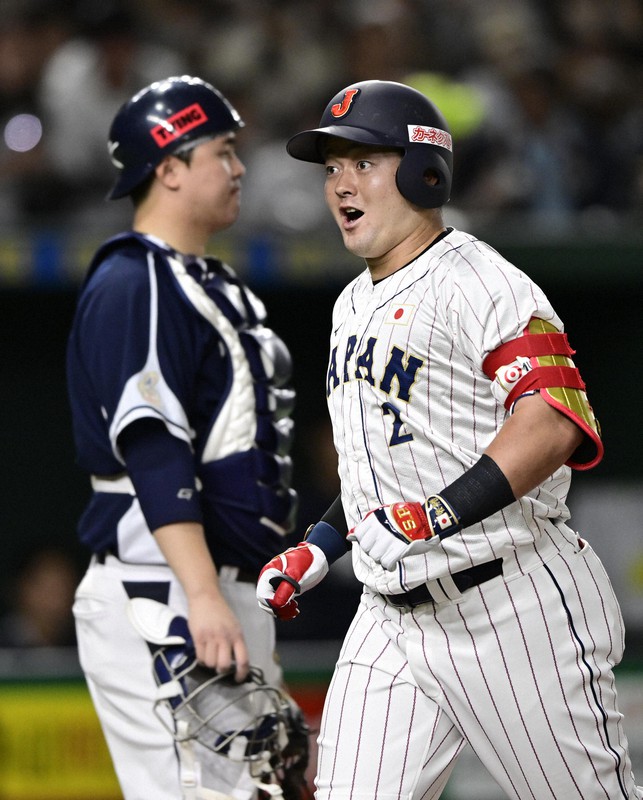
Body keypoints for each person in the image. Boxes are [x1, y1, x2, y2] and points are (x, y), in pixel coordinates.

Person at [256, 79, 642, 800]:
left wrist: (434, 515)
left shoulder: (483, 283)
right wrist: (320, 544)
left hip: (511, 603)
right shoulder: (349, 304)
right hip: (390, 618)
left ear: (419, 169)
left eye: (362, 161)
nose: (339, 182)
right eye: (331, 166)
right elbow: (382, 470)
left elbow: (553, 420)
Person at [66, 75, 300, 800]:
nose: (237, 168)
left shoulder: (202, 278)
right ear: (166, 168)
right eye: (221, 151)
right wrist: (200, 596)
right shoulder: (136, 280)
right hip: (161, 591)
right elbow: (150, 442)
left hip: (211, 592)